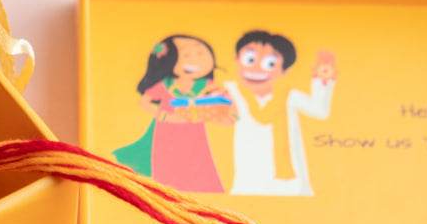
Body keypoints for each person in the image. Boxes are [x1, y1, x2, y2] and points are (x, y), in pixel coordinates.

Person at [113, 34, 234, 192]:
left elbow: (227, 103)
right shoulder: (167, 84)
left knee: (197, 162)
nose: (195, 59)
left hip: (195, 133)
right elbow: (143, 102)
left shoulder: (208, 85)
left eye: (200, 53)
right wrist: (165, 116)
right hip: (168, 132)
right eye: (186, 55)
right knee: (169, 166)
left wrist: (220, 112)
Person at [225, 30, 335, 196]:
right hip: (247, 176)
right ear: (236, 59)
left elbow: (319, 111)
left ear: (284, 70)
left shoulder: (288, 96)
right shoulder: (230, 92)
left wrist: (323, 77)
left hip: (286, 181)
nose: (256, 68)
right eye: (250, 59)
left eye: (270, 63)